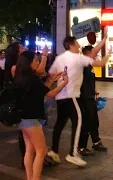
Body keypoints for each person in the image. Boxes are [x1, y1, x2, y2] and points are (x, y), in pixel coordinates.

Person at [47, 34, 109, 167]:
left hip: (60, 96)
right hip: (72, 96)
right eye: (77, 44)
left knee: (60, 124)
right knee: (78, 122)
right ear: (71, 45)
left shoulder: (59, 58)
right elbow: (100, 62)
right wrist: (107, 52)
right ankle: (73, 153)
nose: (79, 46)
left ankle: (54, 150)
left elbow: (51, 74)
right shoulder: (77, 58)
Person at [14, 50, 68, 180]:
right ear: (28, 63)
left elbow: (41, 91)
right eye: (36, 60)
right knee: (41, 151)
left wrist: (50, 80)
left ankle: (30, 177)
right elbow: (50, 94)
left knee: (30, 150)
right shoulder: (32, 79)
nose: (38, 63)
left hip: (22, 119)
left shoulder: (20, 77)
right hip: (32, 119)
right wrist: (64, 83)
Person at [77, 45, 109, 156]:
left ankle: (96, 141)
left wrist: (95, 90)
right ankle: (81, 147)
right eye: (93, 52)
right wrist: (108, 53)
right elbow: (102, 63)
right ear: (89, 53)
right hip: (84, 98)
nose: (95, 54)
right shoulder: (84, 63)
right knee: (86, 123)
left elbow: (89, 79)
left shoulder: (89, 66)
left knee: (94, 121)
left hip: (90, 97)